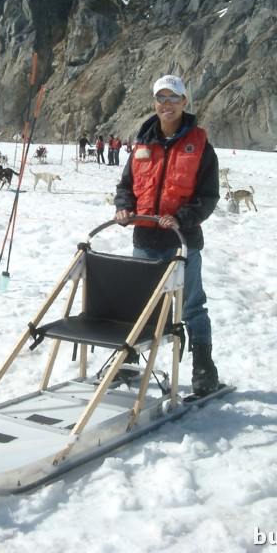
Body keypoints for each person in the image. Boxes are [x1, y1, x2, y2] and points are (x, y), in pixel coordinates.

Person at [113, 74, 221, 397]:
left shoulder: (201, 147)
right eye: (161, 98)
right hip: (145, 242)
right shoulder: (142, 144)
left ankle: (203, 367)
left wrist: (179, 218)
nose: (167, 105)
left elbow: (208, 197)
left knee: (191, 306)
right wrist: (124, 208)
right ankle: (130, 363)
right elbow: (126, 187)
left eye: (173, 98)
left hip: (182, 243)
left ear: (184, 102)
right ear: (154, 104)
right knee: (141, 306)